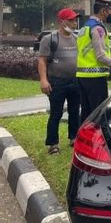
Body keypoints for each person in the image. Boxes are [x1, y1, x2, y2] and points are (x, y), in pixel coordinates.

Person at [76, 0, 111, 123]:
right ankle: (97, 141)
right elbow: (101, 56)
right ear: (103, 11)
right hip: (95, 77)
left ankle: (83, 141)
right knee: (98, 113)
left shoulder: (84, 27)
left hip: (82, 76)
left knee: (86, 112)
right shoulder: (98, 28)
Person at [38, 8, 81, 154]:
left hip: (75, 81)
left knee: (75, 112)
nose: (74, 23)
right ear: (62, 21)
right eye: (71, 20)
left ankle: (74, 138)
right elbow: (42, 61)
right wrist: (44, 80)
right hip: (57, 82)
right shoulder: (50, 39)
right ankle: (53, 144)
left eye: (75, 20)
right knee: (56, 113)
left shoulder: (77, 39)